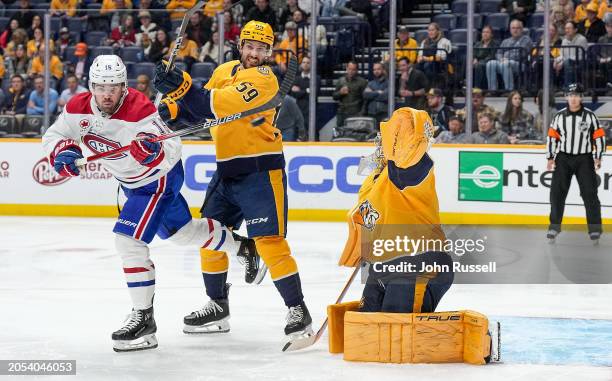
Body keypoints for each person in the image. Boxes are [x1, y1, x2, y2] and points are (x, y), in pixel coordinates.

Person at [42, 55, 255, 352]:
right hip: (130, 183)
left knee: (127, 241)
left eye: (113, 87)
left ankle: (144, 319)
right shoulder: (78, 108)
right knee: (180, 234)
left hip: (158, 178)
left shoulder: (140, 109)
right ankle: (242, 247)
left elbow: (171, 144)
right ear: (91, 86)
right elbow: (55, 134)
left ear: (123, 87)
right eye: (101, 87)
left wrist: (152, 152)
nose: (107, 94)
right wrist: (61, 152)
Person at [153, 20, 313, 339]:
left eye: (261, 48)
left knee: (269, 242)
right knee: (209, 236)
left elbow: (209, 103)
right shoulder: (224, 71)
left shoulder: (265, 79)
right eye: (250, 46)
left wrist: (180, 84)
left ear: (269, 52)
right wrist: (170, 107)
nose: (254, 53)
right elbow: (198, 111)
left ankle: (298, 309)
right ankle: (217, 305)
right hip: (226, 169)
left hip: (260, 171)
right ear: (240, 45)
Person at [339, 107, 454, 313]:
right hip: (384, 264)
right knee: (368, 328)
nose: (381, 144)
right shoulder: (374, 179)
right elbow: (369, 218)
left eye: (391, 137)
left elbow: (409, 145)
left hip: (421, 261)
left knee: (395, 329)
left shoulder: (413, 170)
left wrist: (402, 128)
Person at [546, 83, 605, 242]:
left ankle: (594, 229)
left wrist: (598, 156)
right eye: (570, 95)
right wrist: (550, 157)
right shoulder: (559, 116)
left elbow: (599, 136)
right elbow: (552, 138)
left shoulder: (590, 116)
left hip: (584, 158)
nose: (573, 98)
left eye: (577, 95)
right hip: (563, 158)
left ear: (581, 97)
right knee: (557, 193)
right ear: (566, 97)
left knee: (589, 193)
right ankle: (554, 227)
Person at [486, 19, 532, 92]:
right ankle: (492, 90)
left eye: (517, 28)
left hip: (520, 64)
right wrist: (501, 59)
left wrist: (506, 57)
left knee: (506, 64)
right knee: (490, 63)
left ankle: (509, 90)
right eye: (513, 28)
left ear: (521, 29)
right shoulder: (506, 41)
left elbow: (520, 54)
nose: (515, 30)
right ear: (510, 30)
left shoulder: (526, 40)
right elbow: (498, 53)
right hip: (504, 62)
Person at [332, 61, 368, 128]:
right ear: (346, 69)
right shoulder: (341, 80)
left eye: (353, 69)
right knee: (340, 133)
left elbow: (366, 99)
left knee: (354, 134)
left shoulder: (362, 82)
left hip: (356, 113)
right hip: (342, 112)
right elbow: (334, 96)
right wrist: (340, 93)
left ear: (357, 70)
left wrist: (362, 113)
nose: (351, 71)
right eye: (349, 69)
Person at [554, 21, 588, 88]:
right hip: (567, 62)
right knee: (552, 62)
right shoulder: (564, 40)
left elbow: (581, 56)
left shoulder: (582, 39)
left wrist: (563, 62)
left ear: (575, 30)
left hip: (580, 62)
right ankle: (554, 88)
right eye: (566, 28)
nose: (567, 30)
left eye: (569, 28)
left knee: (568, 62)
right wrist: (557, 61)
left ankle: (568, 88)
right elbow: (562, 55)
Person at [473, 25, 498, 90]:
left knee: (478, 65)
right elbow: (473, 53)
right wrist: (474, 59)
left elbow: (492, 55)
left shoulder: (494, 44)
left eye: (487, 32)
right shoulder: (478, 44)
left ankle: (477, 87)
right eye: (483, 32)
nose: (485, 34)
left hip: (487, 62)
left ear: (491, 35)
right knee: (466, 62)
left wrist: (479, 61)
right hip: (477, 62)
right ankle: (464, 84)